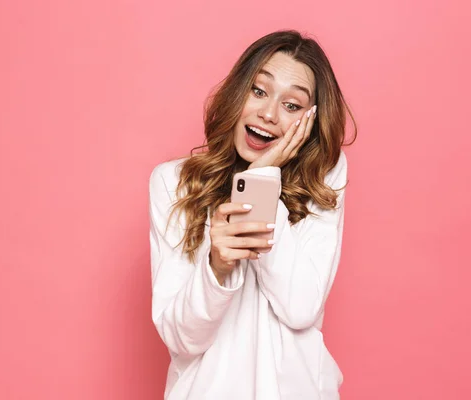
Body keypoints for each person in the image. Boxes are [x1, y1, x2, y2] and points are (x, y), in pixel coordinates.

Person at [149, 30, 357, 399]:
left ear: (309, 121)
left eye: (292, 105)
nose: (268, 113)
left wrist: (260, 180)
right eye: (259, 91)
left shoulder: (322, 179)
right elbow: (182, 338)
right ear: (238, 92)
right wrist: (216, 267)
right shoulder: (176, 183)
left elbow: (300, 307)